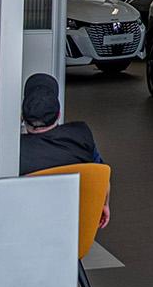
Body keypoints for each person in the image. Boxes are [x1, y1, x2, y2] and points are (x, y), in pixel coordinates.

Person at [18, 73, 110, 230]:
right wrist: (103, 204)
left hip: (27, 232)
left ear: (22, 117)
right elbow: (101, 178)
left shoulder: (14, 152)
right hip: (75, 235)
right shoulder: (82, 134)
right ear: (59, 114)